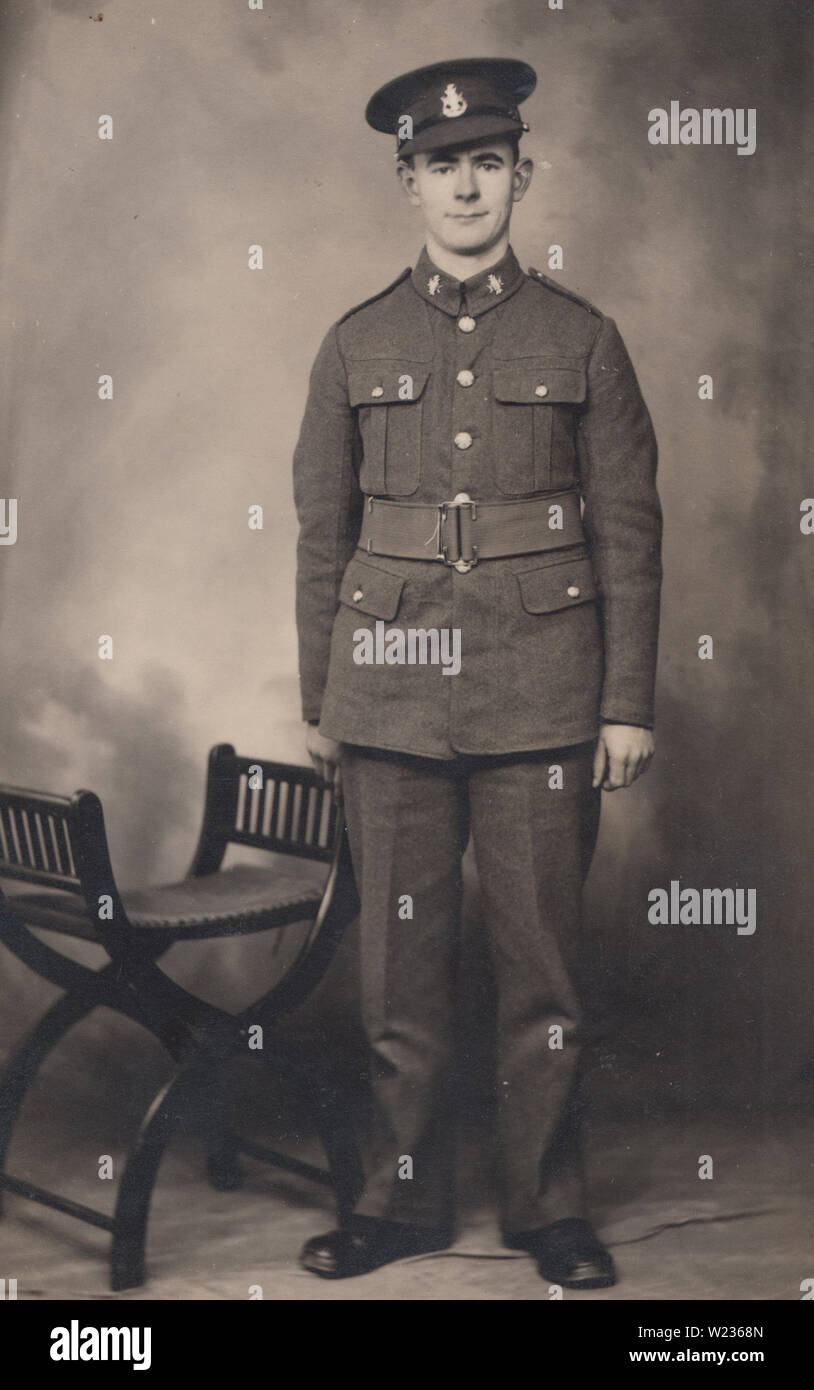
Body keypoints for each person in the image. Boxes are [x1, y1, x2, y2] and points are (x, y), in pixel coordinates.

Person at [292, 57, 662, 1287]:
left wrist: (623, 705)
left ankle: (547, 1211)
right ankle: (399, 1208)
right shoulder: (354, 343)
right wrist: (322, 701)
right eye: (441, 165)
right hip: (386, 687)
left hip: (541, 691)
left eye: (487, 163)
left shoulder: (583, 338)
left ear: (521, 175)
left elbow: (628, 532)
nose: (466, 185)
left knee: (541, 968)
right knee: (400, 975)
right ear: (408, 181)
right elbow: (321, 534)